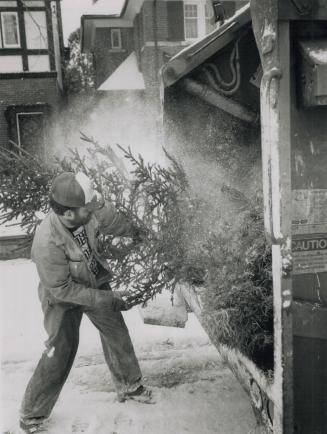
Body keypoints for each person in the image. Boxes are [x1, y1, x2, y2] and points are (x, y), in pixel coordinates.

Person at [19, 171, 153, 434]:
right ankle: (32, 414)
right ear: (68, 214)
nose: (92, 210)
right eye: (87, 208)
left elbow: (115, 223)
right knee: (61, 350)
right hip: (61, 297)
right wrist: (106, 297)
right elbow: (61, 288)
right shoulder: (47, 242)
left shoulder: (86, 212)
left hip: (93, 280)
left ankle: (130, 384)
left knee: (116, 331)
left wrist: (138, 231)